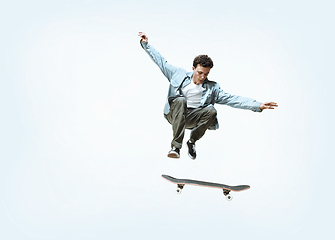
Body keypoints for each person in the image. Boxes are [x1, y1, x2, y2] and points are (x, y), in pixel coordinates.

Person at [138, 32, 278, 160]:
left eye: (206, 74)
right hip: (174, 114)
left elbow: (232, 99)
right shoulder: (177, 74)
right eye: (200, 73)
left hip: (192, 118)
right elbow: (161, 61)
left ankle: (192, 142)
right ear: (193, 68)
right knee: (180, 100)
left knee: (211, 110)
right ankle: (176, 147)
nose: (202, 77)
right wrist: (146, 44)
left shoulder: (212, 88)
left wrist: (257, 105)